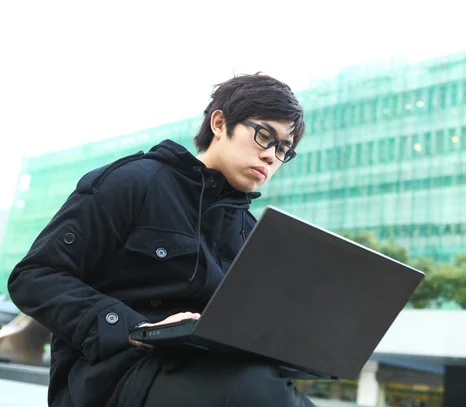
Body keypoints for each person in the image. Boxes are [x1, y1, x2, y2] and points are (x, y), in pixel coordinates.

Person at [7, 73, 316, 407]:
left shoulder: (252, 234)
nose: (271, 156)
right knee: (256, 392)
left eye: (284, 149)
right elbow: (34, 276)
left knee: (276, 392)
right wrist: (137, 328)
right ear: (219, 123)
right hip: (113, 378)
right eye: (264, 135)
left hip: (211, 373)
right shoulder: (135, 182)